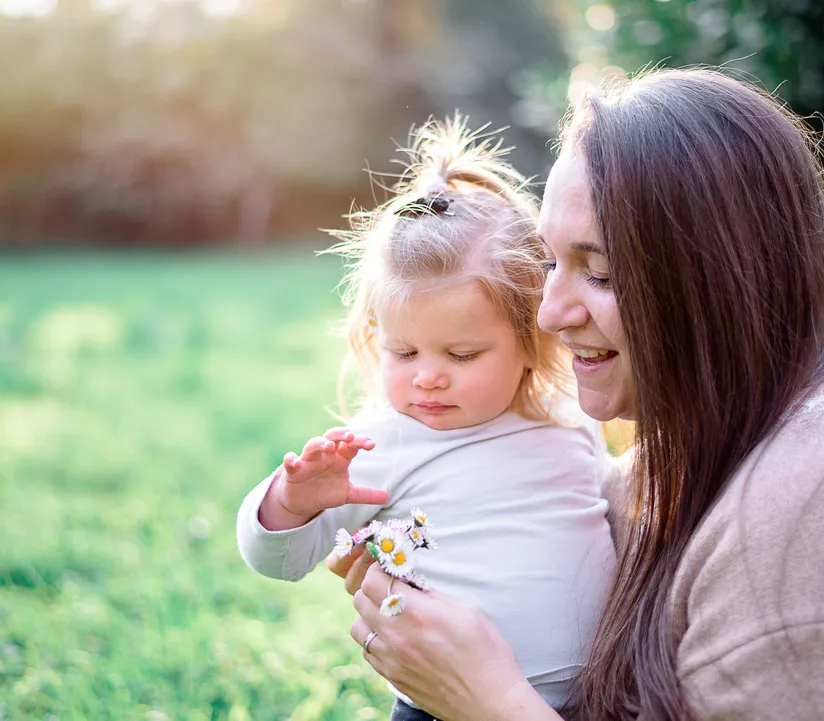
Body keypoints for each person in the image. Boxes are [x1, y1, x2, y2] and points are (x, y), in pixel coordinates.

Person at [333, 68, 824, 719]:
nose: (548, 313)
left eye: (598, 274)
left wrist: (486, 698)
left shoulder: (817, 540)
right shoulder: (693, 448)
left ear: (717, 283)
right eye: (548, 262)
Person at [235, 117, 620, 721]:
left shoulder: (567, 419)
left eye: (461, 355)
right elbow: (276, 561)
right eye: (404, 352)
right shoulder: (381, 445)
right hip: (444, 707)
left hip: (595, 701)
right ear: (374, 338)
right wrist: (291, 501)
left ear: (530, 340)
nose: (428, 377)